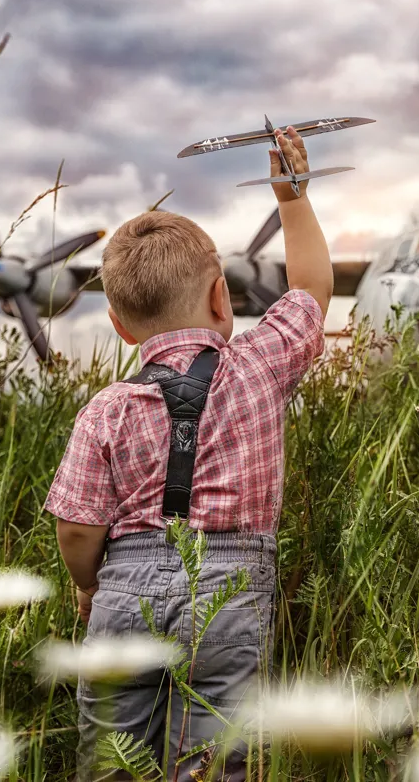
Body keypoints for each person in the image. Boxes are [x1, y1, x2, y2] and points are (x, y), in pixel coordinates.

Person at [44, 127, 332, 781]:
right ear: (220, 298)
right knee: (215, 761)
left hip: (124, 594)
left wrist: (89, 586)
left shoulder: (104, 411)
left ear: (118, 326)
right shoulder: (260, 365)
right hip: (230, 598)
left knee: (113, 760)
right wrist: (292, 199)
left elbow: (76, 527)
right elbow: (311, 290)